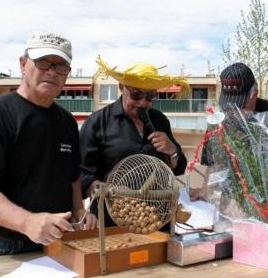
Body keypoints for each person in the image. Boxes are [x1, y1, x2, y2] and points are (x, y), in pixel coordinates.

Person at [0, 32, 95, 258]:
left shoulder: (67, 121)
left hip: (60, 244)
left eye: (61, 66)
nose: (51, 71)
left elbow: (73, 177)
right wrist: (27, 222)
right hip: (7, 247)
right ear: (23, 64)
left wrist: (78, 211)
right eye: (43, 62)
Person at [80, 58, 188, 226]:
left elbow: (178, 167)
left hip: (156, 220)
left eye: (151, 96)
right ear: (122, 88)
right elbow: (81, 174)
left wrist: (173, 151)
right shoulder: (97, 122)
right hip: (112, 221)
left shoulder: (159, 120)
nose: (143, 102)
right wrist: (107, 189)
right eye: (136, 95)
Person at [191, 62, 268, 200]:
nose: (235, 112)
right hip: (232, 200)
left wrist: (264, 198)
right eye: (230, 105)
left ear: (254, 93)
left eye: (241, 105)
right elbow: (215, 164)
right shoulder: (219, 120)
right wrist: (205, 190)